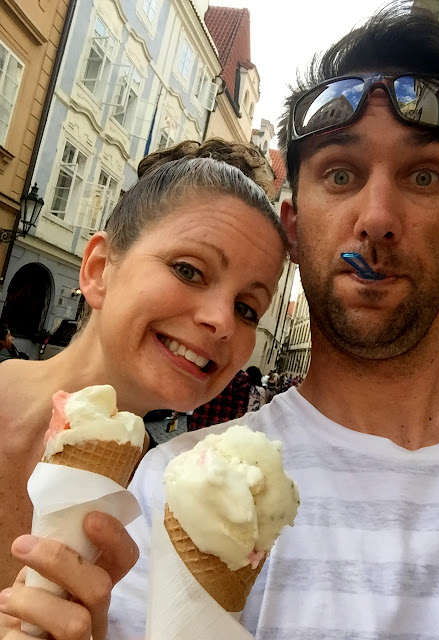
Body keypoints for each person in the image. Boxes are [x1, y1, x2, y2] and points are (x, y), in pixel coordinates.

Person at [98, 5, 439, 639]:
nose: (377, 218)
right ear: (294, 229)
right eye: (340, 174)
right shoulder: (178, 489)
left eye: (422, 176)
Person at [0, 140, 286, 639]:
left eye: (247, 309)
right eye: (189, 270)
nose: (222, 321)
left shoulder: (181, 514)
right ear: (98, 270)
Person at [186, 369, 250, 431]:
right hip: (222, 430)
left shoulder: (205, 370)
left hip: (199, 425)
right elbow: (240, 411)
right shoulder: (240, 376)